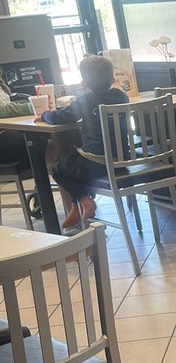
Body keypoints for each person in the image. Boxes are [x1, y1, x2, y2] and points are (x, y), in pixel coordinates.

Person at [40, 55, 128, 232]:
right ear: (112, 78)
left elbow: (61, 116)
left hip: (94, 163)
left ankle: (85, 201)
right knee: (73, 167)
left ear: (84, 83)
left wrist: (44, 115)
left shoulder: (85, 100)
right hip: (121, 160)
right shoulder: (121, 96)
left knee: (58, 168)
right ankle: (76, 207)